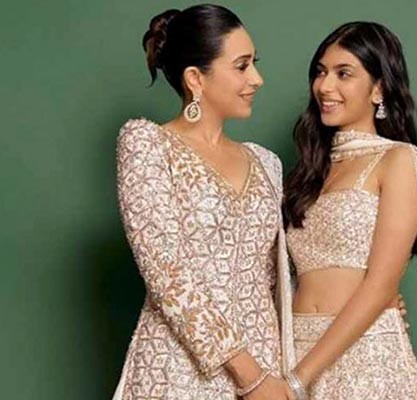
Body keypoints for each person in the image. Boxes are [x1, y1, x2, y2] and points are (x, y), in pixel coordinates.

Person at [111, 5, 294, 399]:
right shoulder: (148, 145)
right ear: (195, 78)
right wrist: (249, 376)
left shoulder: (266, 163)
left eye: (255, 64)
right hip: (180, 369)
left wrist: (367, 294)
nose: (257, 79)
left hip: (266, 367)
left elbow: (281, 271)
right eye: (242, 66)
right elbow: (166, 271)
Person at [282, 22, 417, 399]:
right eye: (321, 72)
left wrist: (297, 380)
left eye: (343, 73)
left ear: (378, 88)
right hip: (296, 347)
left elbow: (380, 286)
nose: (325, 86)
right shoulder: (305, 176)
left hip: (367, 358)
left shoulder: (398, 160)